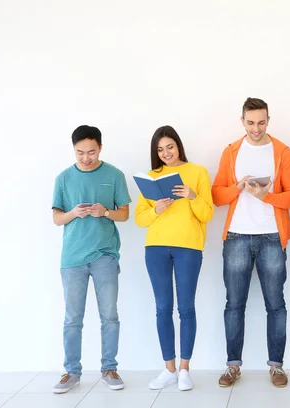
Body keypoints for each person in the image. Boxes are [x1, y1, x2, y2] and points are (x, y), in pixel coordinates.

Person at [212, 97, 290, 388]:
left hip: (272, 237)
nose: (256, 128)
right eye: (250, 122)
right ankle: (232, 366)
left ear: (268, 120)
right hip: (237, 236)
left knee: (276, 305)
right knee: (234, 304)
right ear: (242, 121)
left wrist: (266, 196)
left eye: (261, 122)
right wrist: (237, 188)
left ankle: (276, 366)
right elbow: (216, 195)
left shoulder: (283, 152)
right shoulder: (231, 152)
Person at [51, 125, 131, 393]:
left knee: (109, 315)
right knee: (73, 318)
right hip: (72, 257)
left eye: (92, 152)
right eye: (80, 152)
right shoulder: (63, 178)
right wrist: (74, 212)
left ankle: (110, 368)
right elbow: (56, 219)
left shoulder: (115, 175)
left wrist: (104, 212)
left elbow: (124, 215)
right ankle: (71, 372)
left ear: (100, 148)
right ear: (73, 149)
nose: (86, 157)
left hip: (105, 255)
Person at [135, 125, 214, 391]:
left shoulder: (198, 172)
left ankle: (184, 369)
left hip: (188, 247)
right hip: (156, 247)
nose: (166, 153)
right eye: (160, 149)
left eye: (170, 146)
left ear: (178, 145)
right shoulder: (150, 177)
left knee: (186, 308)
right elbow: (139, 219)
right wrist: (156, 208)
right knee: (162, 308)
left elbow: (207, 214)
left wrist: (192, 196)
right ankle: (168, 369)